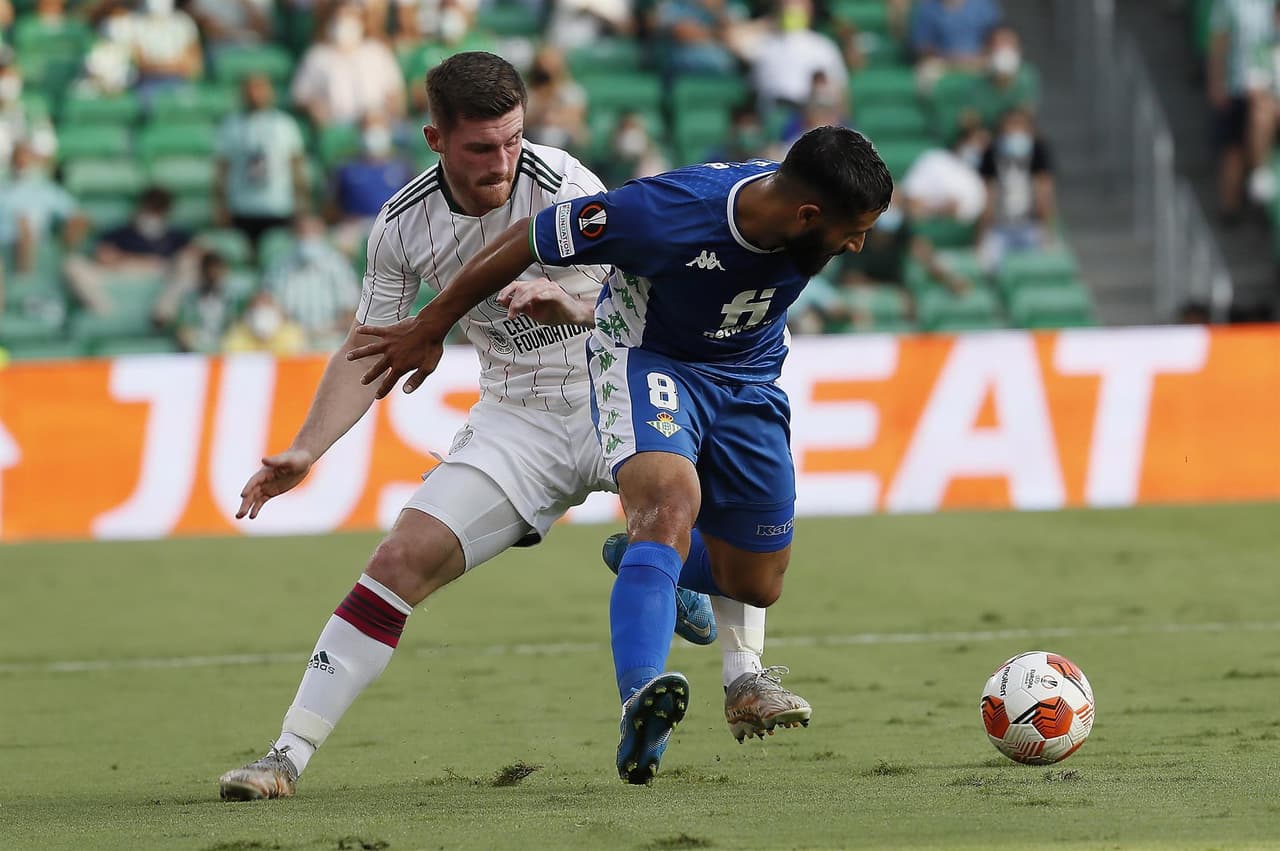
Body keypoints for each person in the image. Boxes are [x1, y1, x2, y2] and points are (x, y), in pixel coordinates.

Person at [217, 51, 809, 802]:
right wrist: (308, 449)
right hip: (516, 418)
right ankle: (285, 755)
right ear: (436, 140)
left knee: (694, 489)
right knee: (399, 561)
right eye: (480, 148)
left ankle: (743, 676)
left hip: (615, 380)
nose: (501, 162)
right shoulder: (402, 225)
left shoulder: (566, 185)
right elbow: (372, 346)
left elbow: (655, 301)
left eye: (512, 140)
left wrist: (573, 305)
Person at [348, 124, 891, 783]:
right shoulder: (667, 211)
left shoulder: (797, 216)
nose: (858, 245)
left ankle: (651, 562)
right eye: (853, 231)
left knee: (757, 583)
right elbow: (529, 237)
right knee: (669, 502)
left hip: (750, 379)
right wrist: (433, 323)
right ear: (807, 216)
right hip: (650, 360)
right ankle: (642, 696)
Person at [214, 74, 309, 252]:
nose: (255, 95)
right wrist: (220, 205)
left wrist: (301, 204)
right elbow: (222, 168)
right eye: (250, 90)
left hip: (278, 205)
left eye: (260, 89)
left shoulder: (285, 125)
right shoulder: (230, 126)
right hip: (242, 206)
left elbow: (296, 166)